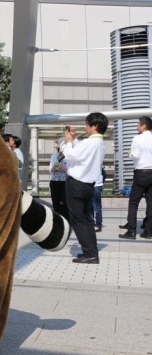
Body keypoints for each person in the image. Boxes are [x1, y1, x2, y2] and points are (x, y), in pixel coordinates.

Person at [63, 113, 107, 264]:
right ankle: (91, 251)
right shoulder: (98, 143)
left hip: (76, 184)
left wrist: (68, 142)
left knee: (78, 220)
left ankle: (89, 254)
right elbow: (82, 153)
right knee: (87, 219)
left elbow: (71, 156)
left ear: (95, 126)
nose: (85, 126)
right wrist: (74, 139)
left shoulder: (90, 143)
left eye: (87, 124)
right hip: (88, 185)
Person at [119, 116, 152, 240]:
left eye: (138, 124)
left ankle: (131, 231)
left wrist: (130, 154)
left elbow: (135, 155)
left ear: (143, 126)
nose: (137, 126)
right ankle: (148, 232)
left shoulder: (137, 138)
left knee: (133, 202)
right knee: (151, 203)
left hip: (141, 173)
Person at [49, 137, 69, 221]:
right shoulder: (54, 156)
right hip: (54, 181)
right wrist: (56, 166)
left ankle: (66, 219)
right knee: (55, 201)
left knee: (65, 201)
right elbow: (51, 170)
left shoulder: (70, 157)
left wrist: (61, 166)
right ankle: (57, 219)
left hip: (65, 181)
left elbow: (70, 171)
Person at [88, 167, 105, 232]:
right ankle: (91, 223)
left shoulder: (97, 157)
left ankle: (98, 224)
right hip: (89, 184)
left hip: (97, 184)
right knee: (89, 206)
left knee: (96, 206)